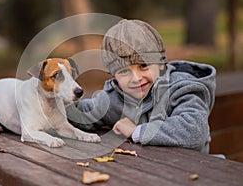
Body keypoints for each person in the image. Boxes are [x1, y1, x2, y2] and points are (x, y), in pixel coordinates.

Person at [66, 19, 216, 153]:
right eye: (124, 71)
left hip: (195, 172)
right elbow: (83, 114)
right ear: (114, 76)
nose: (136, 78)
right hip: (148, 171)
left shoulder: (181, 88)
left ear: (160, 63)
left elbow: (195, 131)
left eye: (143, 66)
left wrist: (136, 131)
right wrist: (55, 97)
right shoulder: (114, 98)